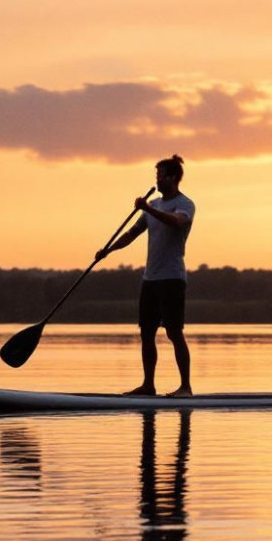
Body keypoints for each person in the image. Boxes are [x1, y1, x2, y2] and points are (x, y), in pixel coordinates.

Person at [96, 154, 196, 397]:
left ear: (173, 178)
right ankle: (148, 385)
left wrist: (147, 208)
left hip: (172, 278)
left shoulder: (184, 204)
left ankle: (185, 387)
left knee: (174, 333)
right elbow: (132, 234)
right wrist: (108, 250)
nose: (157, 180)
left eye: (161, 176)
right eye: (157, 176)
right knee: (147, 333)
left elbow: (176, 222)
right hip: (150, 279)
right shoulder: (154, 206)